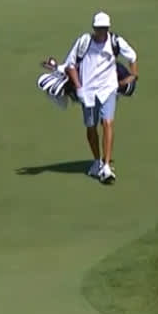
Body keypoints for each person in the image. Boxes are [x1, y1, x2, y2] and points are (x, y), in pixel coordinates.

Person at [61, 11, 138, 184]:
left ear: (108, 28)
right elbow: (70, 64)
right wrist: (79, 87)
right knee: (91, 127)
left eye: (104, 28)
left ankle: (106, 165)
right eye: (98, 28)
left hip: (108, 89)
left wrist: (133, 76)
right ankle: (96, 161)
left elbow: (132, 56)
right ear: (94, 28)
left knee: (107, 122)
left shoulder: (115, 41)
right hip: (87, 92)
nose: (101, 32)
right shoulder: (84, 42)